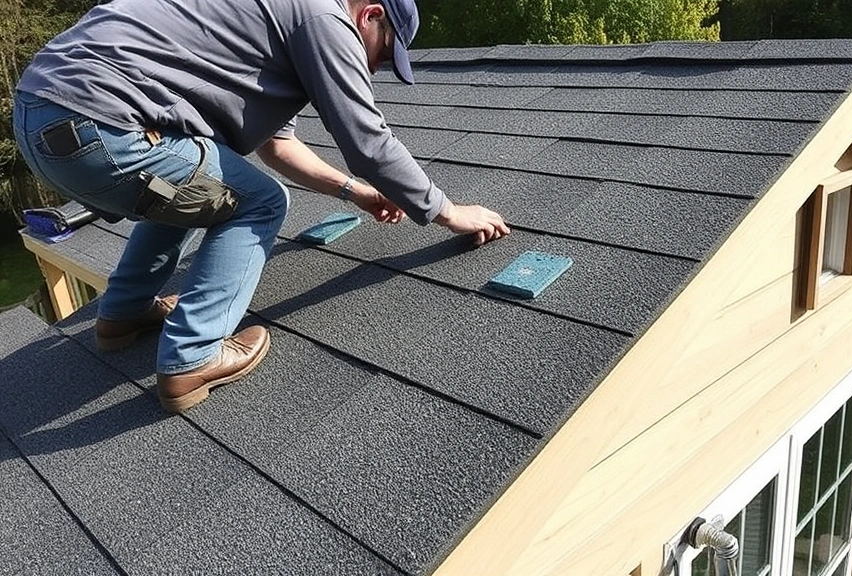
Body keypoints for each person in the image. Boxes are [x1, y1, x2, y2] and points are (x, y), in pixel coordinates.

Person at [12, 0, 510, 413]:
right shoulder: (324, 20)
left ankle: (122, 314)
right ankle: (191, 356)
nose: (376, 68)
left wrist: (357, 192)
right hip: (102, 119)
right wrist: (448, 210)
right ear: (371, 15)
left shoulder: (274, 20)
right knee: (263, 201)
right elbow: (368, 142)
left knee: (192, 186)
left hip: (42, 117)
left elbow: (277, 146)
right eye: (384, 54)